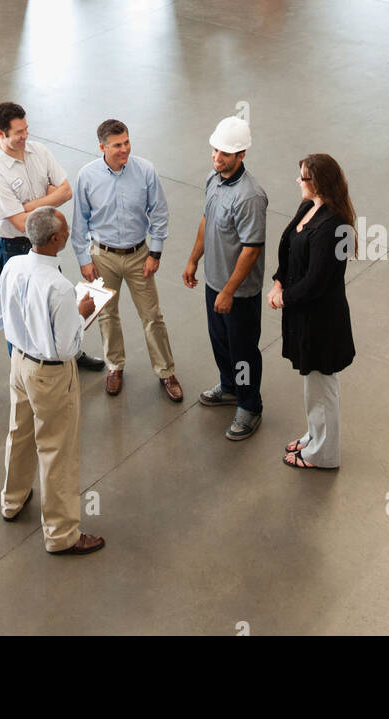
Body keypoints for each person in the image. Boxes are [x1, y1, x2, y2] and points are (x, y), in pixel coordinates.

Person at [0, 207, 105, 556]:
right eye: (66, 229)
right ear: (55, 239)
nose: (69, 232)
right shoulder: (58, 287)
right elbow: (66, 348)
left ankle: (12, 500)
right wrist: (82, 311)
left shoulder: (12, 267)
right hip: (51, 375)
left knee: (19, 430)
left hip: (19, 364)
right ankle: (61, 534)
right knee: (57, 450)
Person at [0, 100, 103, 370]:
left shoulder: (39, 151)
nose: (25, 136)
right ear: (0, 134)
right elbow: (20, 223)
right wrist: (46, 201)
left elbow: (65, 191)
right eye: (18, 132)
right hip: (14, 247)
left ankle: (70, 349)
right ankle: (23, 364)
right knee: (21, 308)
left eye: (26, 129)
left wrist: (27, 206)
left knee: (55, 298)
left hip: (45, 242)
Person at [71, 119, 182, 401]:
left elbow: (159, 214)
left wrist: (154, 253)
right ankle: (115, 366)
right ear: (102, 147)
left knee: (152, 317)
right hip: (102, 256)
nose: (124, 149)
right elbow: (79, 223)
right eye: (117, 145)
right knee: (107, 315)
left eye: (127, 142)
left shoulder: (145, 171)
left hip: (138, 256)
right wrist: (84, 258)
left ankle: (166, 371)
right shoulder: (87, 176)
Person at [182, 116, 268, 441]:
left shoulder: (250, 197)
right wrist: (193, 259)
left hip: (239, 293)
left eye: (225, 154)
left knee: (243, 351)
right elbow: (207, 220)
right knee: (219, 341)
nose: (217, 158)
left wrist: (230, 290)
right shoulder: (213, 179)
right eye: (215, 151)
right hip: (213, 282)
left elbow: (251, 250)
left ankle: (250, 405)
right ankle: (230, 386)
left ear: (241, 155)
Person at [268, 154, 356, 470]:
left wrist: (283, 298)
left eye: (303, 177)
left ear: (318, 182)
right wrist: (279, 280)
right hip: (306, 317)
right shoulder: (309, 207)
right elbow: (290, 247)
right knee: (314, 385)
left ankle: (323, 453)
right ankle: (315, 436)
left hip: (322, 322)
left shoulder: (334, 225)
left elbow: (317, 281)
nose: (298, 182)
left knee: (322, 388)